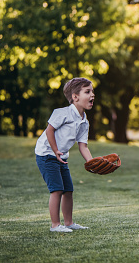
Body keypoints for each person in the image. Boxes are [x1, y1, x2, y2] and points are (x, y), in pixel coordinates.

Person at [35, 77, 95, 232]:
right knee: (57, 189)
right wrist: (55, 150)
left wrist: (92, 162)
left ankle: (68, 223)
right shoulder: (62, 113)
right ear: (75, 97)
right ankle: (55, 225)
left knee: (68, 190)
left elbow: (83, 146)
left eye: (92, 91)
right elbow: (50, 130)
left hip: (62, 157)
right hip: (47, 154)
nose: (92, 95)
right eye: (87, 91)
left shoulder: (84, 121)